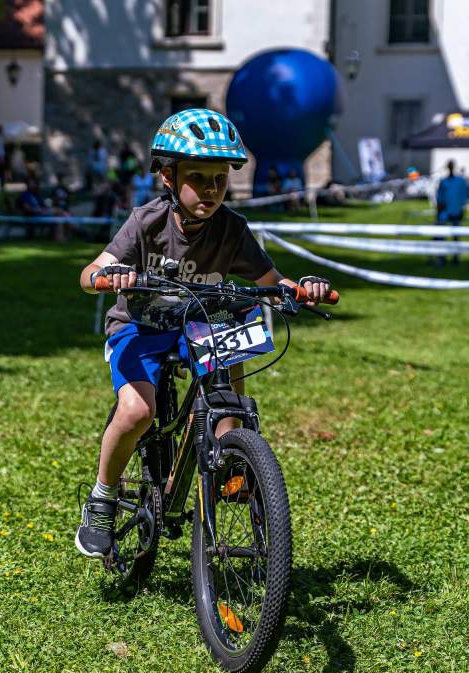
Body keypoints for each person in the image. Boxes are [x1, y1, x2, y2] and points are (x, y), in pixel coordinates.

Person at [74, 109, 334, 558]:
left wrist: (302, 289)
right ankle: (102, 499)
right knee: (137, 412)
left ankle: (230, 453)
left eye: (220, 178)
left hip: (195, 325)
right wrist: (107, 276)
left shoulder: (232, 228)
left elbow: (272, 280)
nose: (211, 189)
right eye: (198, 177)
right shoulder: (147, 222)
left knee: (232, 337)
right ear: (169, 178)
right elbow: (89, 272)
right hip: (139, 327)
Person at [435, 159, 468, 265]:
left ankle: (455, 258)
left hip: (456, 211)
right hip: (445, 212)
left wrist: (461, 206)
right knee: (441, 235)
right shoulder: (444, 181)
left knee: (455, 236)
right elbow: (439, 198)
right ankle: (442, 257)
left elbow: (465, 194)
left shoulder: (460, 181)